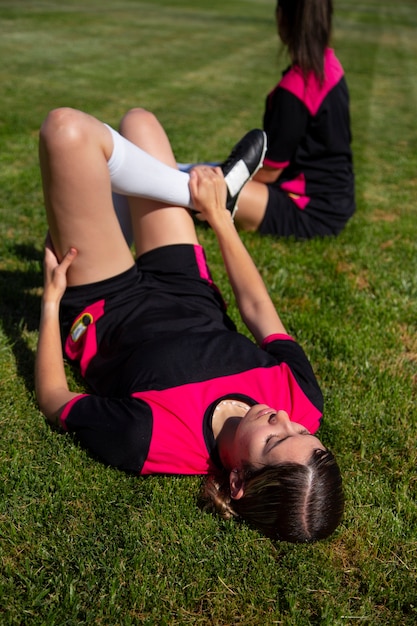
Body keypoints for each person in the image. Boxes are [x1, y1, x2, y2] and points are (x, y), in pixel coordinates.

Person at [35, 106, 344, 543]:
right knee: (140, 123)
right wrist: (220, 220)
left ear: (237, 482)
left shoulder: (148, 438)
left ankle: (184, 187)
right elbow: (257, 307)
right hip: (184, 283)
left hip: (107, 302)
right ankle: (209, 194)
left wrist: (51, 304)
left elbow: (54, 399)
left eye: (274, 440)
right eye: (302, 431)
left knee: (66, 131)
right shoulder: (302, 399)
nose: (283, 417)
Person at [202, 0, 355, 238]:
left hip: (309, 211)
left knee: (203, 190)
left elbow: (269, 171)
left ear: (282, 19)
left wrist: (220, 176)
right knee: (208, 175)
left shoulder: (296, 89)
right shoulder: (330, 66)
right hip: (336, 202)